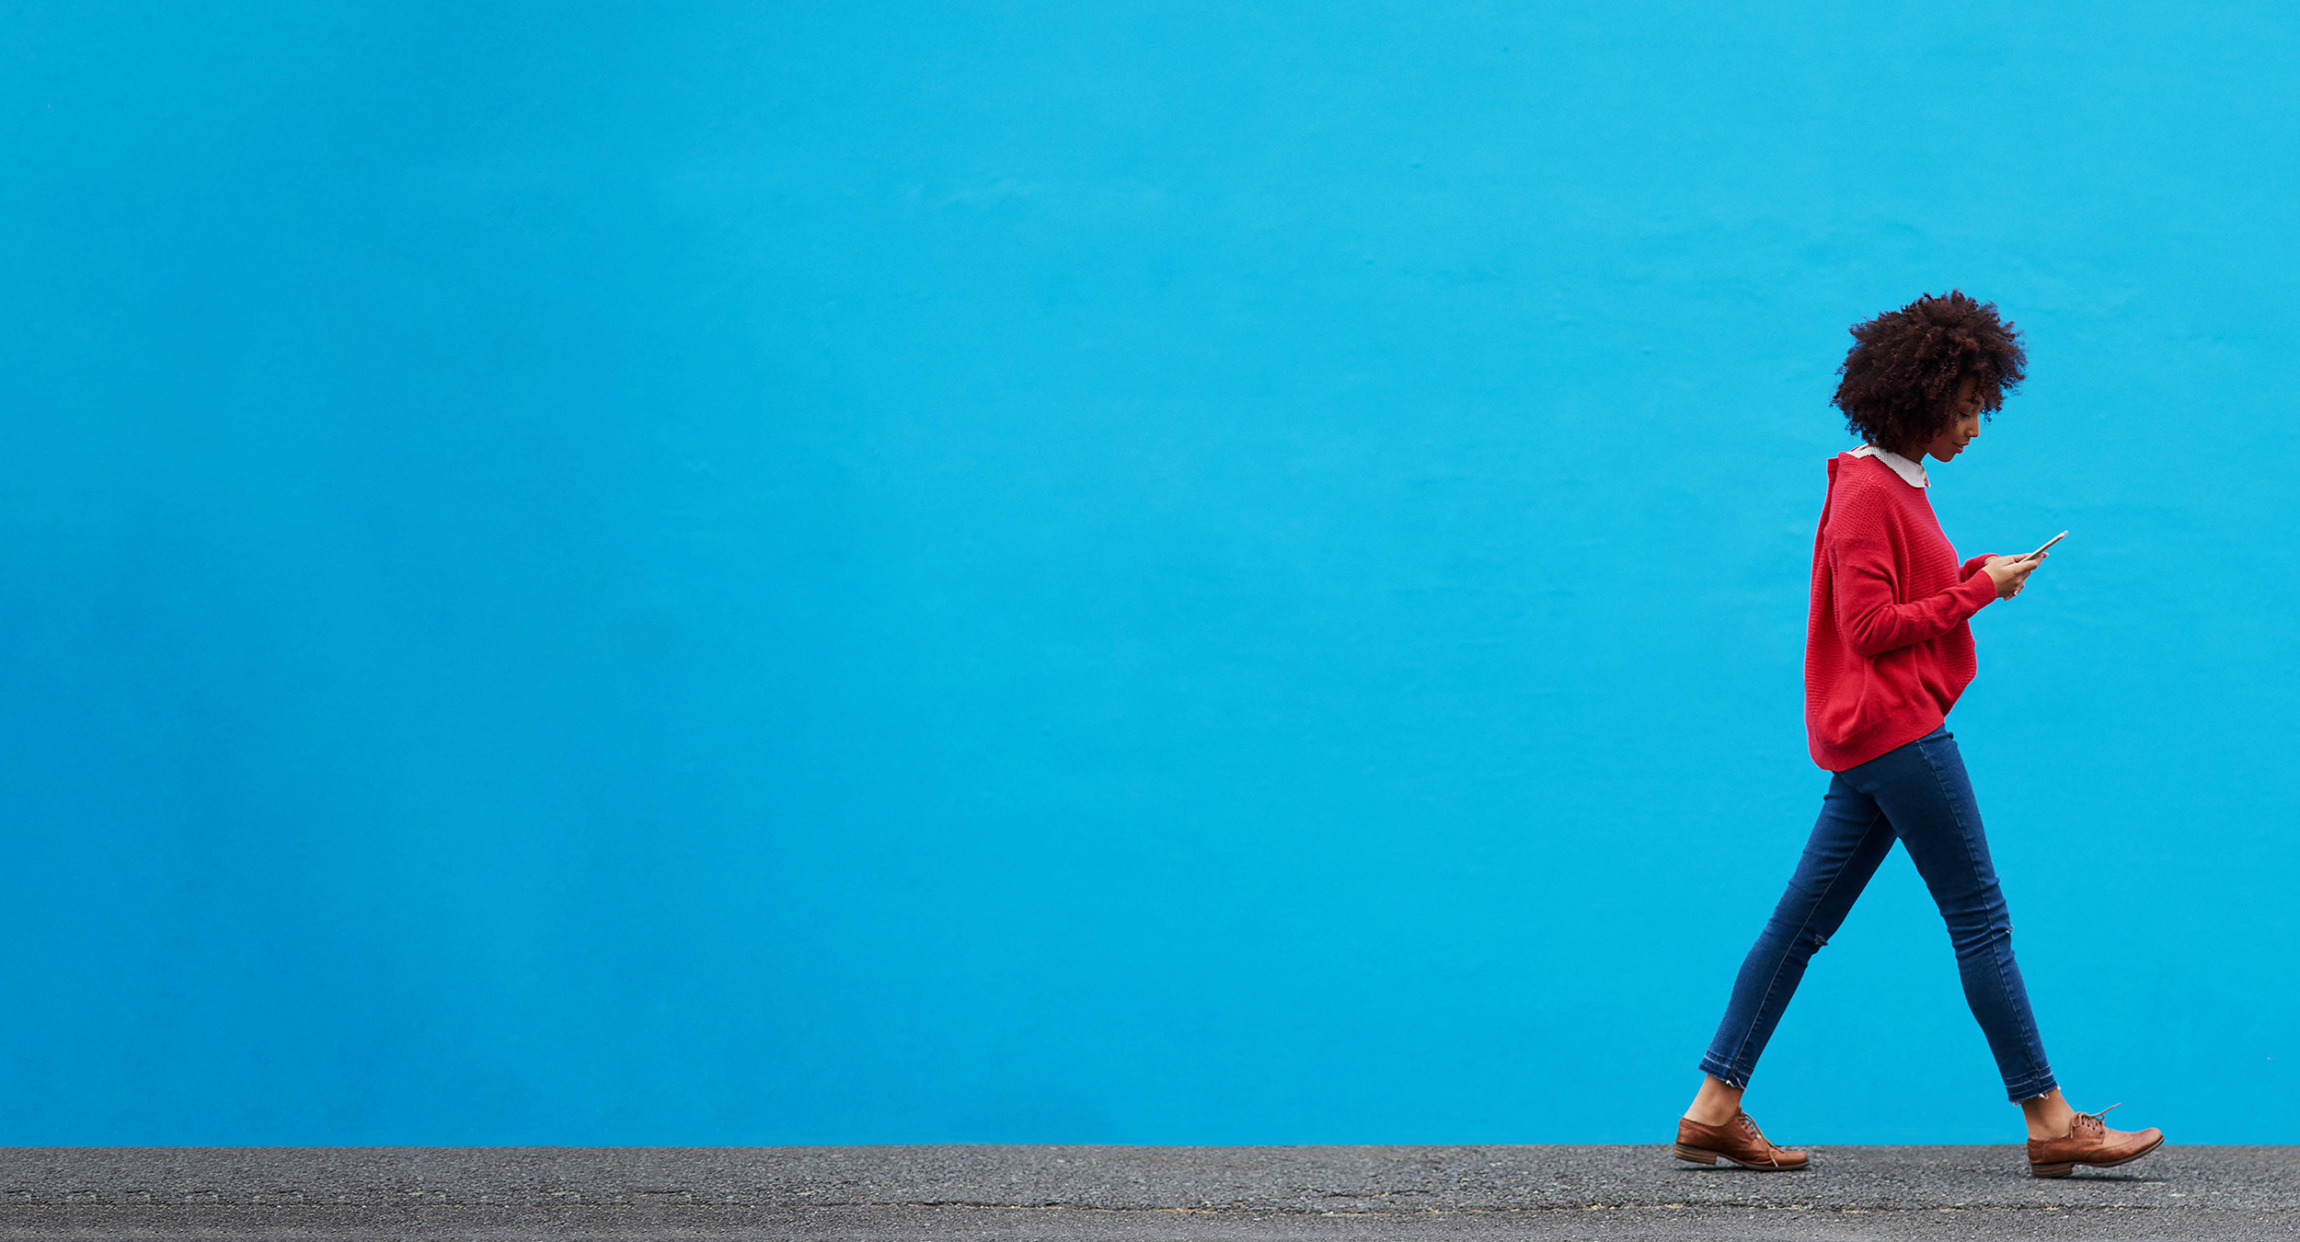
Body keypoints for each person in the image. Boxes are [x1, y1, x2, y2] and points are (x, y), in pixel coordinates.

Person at [1673, 292, 2164, 1179]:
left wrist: (1980, 571)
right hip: (1900, 735)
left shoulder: (1893, 483)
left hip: (1871, 740)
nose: (1978, 427)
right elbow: (1870, 627)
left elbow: (1903, 597)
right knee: (1980, 919)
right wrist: (1978, 594)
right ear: (1919, 399)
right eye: (1968, 407)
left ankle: (1713, 1108)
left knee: (1798, 926)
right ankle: (2051, 1123)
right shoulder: (1866, 491)